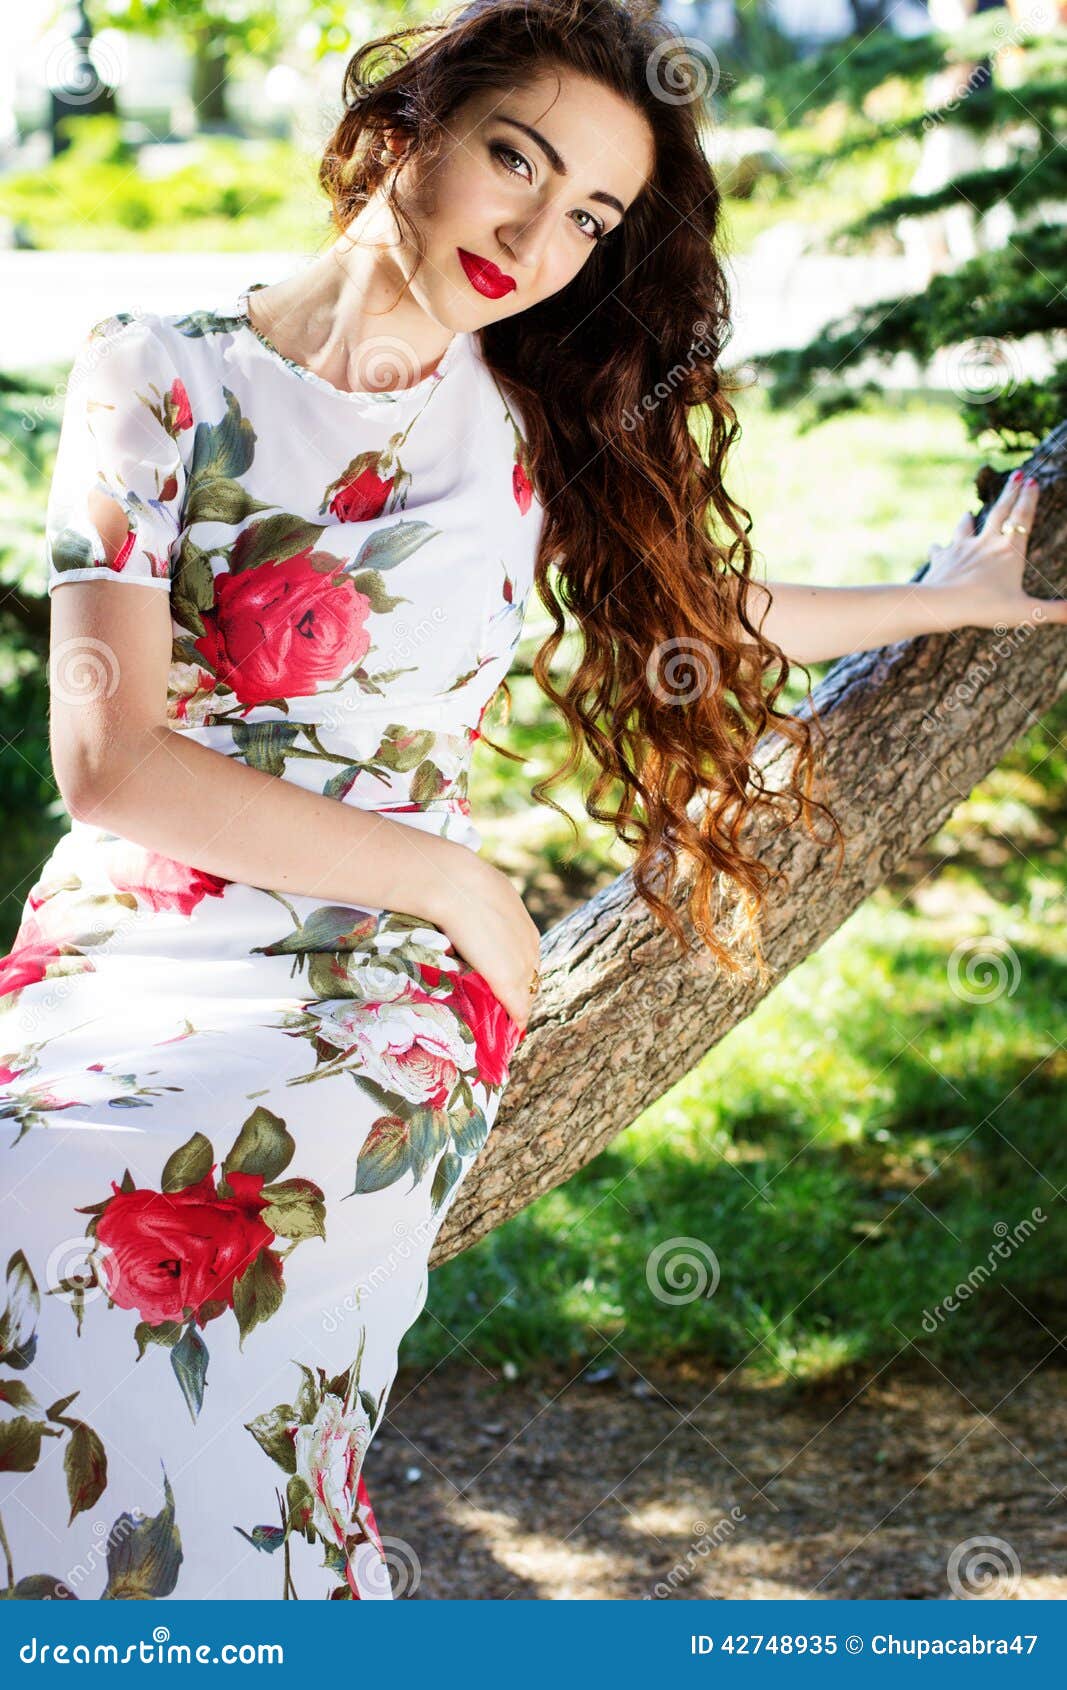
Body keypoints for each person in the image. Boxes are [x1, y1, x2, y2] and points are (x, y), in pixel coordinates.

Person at [0, 0, 1058, 1603]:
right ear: (412, 125)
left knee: (189, 1198)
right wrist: (459, 879)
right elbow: (111, 759)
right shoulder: (155, 373)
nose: (539, 235)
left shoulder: (518, 421)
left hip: (383, 976)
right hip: (133, 927)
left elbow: (705, 611)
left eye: (591, 216)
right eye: (517, 160)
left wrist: (950, 599)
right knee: (36, 1162)